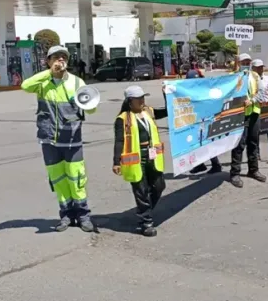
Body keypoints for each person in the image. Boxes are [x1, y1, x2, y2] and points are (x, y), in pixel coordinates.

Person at [21, 46, 96, 232]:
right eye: (56, 57)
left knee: (76, 178)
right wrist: (49, 73)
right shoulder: (42, 83)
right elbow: (24, 86)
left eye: (63, 57)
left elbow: (92, 107)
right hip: (48, 140)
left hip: (72, 140)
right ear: (48, 61)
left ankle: (83, 216)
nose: (60, 60)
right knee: (58, 179)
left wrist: (83, 102)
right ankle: (66, 216)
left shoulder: (77, 82)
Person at [112, 86, 167, 237]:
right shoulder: (122, 119)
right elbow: (119, 141)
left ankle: (144, 210)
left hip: (153, 156)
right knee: (141, 190)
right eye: (139, 99)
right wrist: (116, 161)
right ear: (130, 101)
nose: (142, 101)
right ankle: (146, 222)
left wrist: (167, 94)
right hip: (136, 160)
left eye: (143, 98)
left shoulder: (148, 111)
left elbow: (168, 111)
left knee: (159, 186)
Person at [229, 53, 267, 188]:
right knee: (239, 144)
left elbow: (262, 92)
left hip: (254, 113)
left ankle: (253, 170)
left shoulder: (255, 76)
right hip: (239, 115)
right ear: (238, 63)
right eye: (243, 62)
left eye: (248, 62)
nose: (246, 64)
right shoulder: (232, 77)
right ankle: (235, 173)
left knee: (253, 142)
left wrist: (252, 101)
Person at [182, 70, 223, 175]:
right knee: (195, 143)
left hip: (203, 120)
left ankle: (216, 164)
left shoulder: (202, 89)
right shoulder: (191, 89)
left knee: (205, 142)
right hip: (195, 119)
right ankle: (200, 165)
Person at [252, 59, 268, 164]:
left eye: (261, 67)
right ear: (253, 68)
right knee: (256, 133)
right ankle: (256, 154)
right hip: (255, 108)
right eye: (258, 67)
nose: (260, 69)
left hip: (267, 108)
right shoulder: (250, 80)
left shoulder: (267, 79)